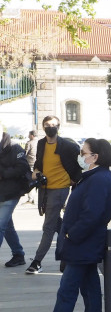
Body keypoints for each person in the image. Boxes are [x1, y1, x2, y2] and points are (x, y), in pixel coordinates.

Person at [28, 138, 111, 312]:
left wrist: (70, 235)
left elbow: (93, 215)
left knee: (65, 294)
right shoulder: (95, 176)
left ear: (95, 157)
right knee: (91, 291)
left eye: (83, 152)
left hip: (82, 244)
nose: (80, 155)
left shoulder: (99, 179)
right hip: (84, 245)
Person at [27, 116, 82, 274]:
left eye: (53, 125)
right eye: (47, 125)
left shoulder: (67, 146)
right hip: (45, 189)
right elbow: (38, 165)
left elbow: (79, 166)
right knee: (59, 224)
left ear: (59, 126)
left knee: (48, 226)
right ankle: (68, 254)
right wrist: (37, 174)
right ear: (42, 127)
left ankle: (37, 262)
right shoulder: (41, 143)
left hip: (60, 189)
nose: (50, 127)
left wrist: (72, 180)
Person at [0, 132, 30, 268]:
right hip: (3, 194)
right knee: (7, 226)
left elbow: (23, 167)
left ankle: (18, 254)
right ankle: (18, 254)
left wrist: (4, 173)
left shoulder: (15, 147)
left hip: (11, 193)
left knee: (0, 225)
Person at [24, 130, 38, 204]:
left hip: (30, 163)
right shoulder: (40, 142)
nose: (28, 136)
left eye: (29, 135)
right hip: (38, 164)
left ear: (32, 135)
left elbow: (25, 153)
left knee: (31, 180)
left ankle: (30, 198)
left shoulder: (29, 143)